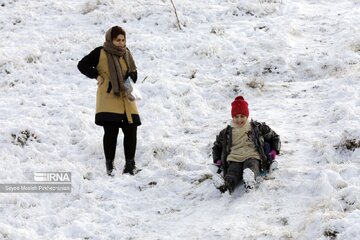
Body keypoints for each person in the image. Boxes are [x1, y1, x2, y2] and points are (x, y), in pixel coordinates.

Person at [77, 26, 141, 176]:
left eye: (123, 39)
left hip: (127, 98)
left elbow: (133, 72)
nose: (121, 43)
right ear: (110, 40)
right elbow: (82, 65)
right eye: (117, 40)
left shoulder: (127, 53)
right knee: (111, 132)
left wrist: (132, 76)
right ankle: (110, 167)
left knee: (131, 130)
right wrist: (96, 75)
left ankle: (130, 166)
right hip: (109, 97)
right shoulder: (100, 52)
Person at [212, 96, 281, 193]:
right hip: (234, 157)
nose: (239, 120)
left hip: (252, 155)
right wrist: (217, 159)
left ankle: (250, 180)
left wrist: (274, 150)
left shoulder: (256, 128)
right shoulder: (226, 132)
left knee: (251, 166)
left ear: (247, 116)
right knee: (233, 171)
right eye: (236, 117)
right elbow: (217, 146)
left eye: (242, 116)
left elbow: (274, 137)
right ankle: (226, 186)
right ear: (232, 117)